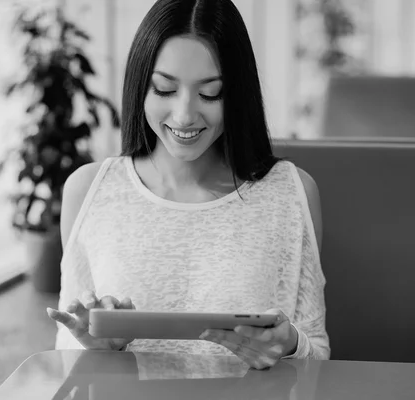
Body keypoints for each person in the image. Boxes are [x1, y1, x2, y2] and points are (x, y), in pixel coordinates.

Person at [47, 0, 330, 370]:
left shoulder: (292, 194)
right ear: (140, 87)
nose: (184, 115)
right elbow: (64, 353)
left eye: (210, 93)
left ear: (238, 94)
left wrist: (289, 346)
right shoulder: (88, 190)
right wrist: (97, 347)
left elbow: (318, 355)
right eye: (164, 89)